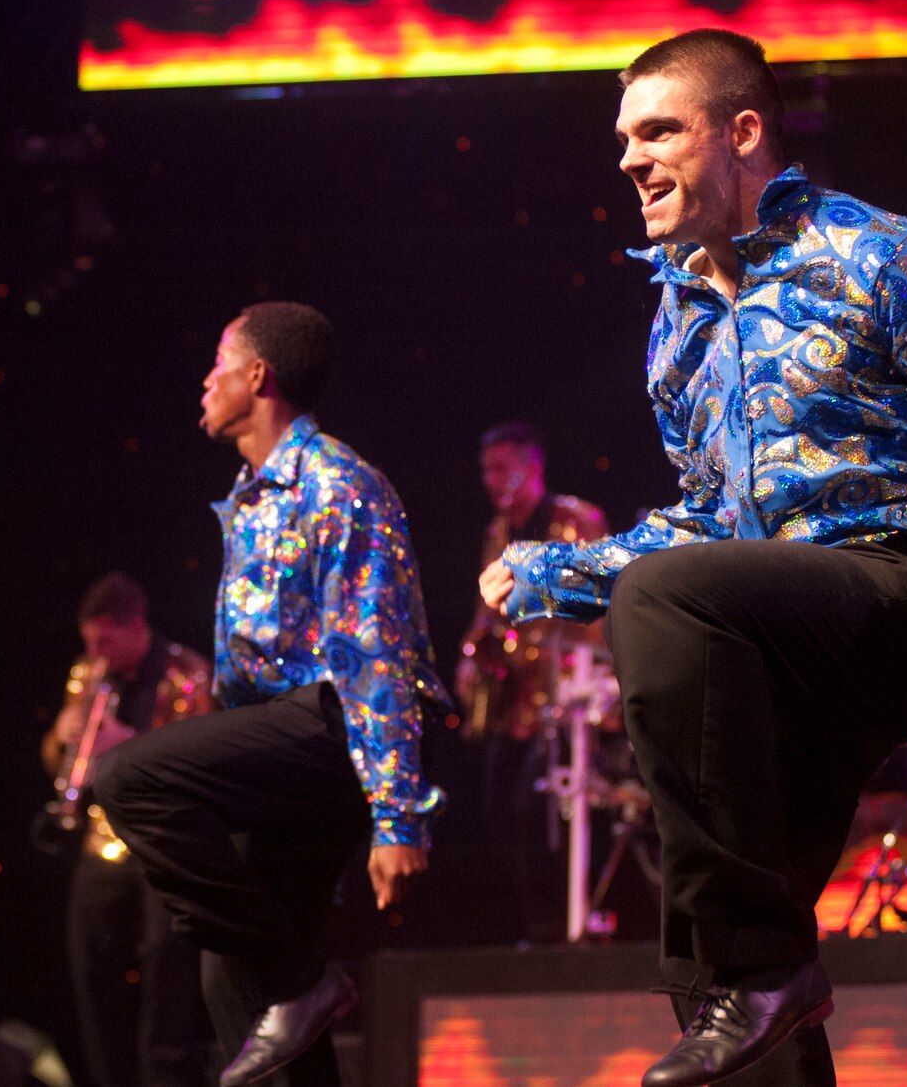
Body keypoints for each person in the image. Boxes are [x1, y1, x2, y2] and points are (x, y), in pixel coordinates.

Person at [478, 29, 907, 1087]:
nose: (629, 159)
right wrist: (556, 571)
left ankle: (764, 965)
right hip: (774, 634)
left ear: (741, 133)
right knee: (708, 951)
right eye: (622, 138)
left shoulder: (878, 251)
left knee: (665, 619)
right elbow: (704, 521)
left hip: (904, 599)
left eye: (657, 131)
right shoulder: (675, 320)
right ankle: (762, 985)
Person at [96, 302, 450, 1087]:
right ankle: (295, 992)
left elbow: (377, 657)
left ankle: (301, 984)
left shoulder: (337, 484)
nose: (205, 377)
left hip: (330, 732)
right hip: (280, 739)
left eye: (219, 360)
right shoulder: (254, 494)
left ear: (258, 375)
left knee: (127, 776)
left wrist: (397, 816)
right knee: (232, 978)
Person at [39, 572, 214, 1087]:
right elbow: (56, 760)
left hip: (164, 846)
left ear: (136, 626)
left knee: (166, 974)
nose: (94, 653)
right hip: (103, 842)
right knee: (89, 964)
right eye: (89, 641)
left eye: (104, 641)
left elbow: (199, 766)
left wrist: (128, 746)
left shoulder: (187, 674)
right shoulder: (89, 674)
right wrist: (60, 736)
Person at [456, 421, 609, 939]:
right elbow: (489, 604)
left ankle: (557, 927)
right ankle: (533, 924)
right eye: (486, 470)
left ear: (532, 467)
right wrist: (472, 653)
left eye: (501, 467)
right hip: (513, 699)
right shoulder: (500, 530)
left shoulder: (573, 519)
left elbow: (594, 603)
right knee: (498, 810)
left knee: (537, 816)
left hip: (564, 697)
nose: (491, 479)